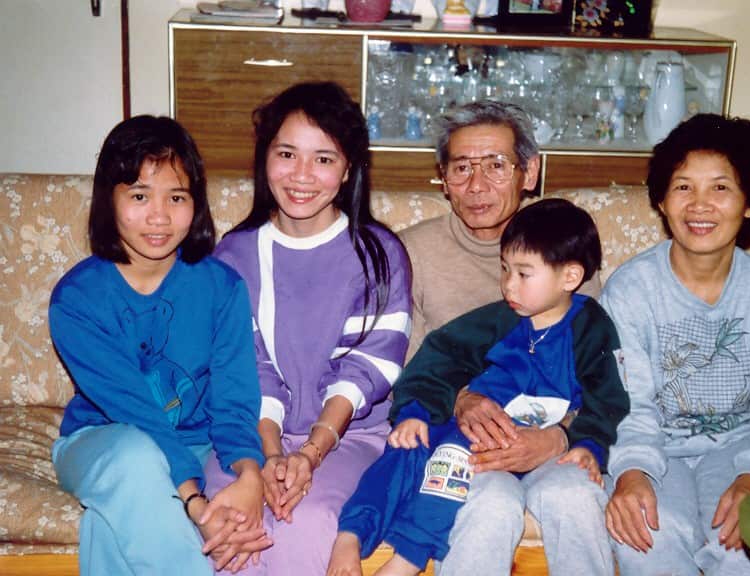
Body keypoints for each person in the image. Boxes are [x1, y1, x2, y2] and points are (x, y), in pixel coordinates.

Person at [329, 199, 629, 576]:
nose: (508, 285)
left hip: (548, 452)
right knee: (414, 450)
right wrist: (415, 412)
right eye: (505, 270)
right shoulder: (499, 320)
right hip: (480, 441)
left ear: (569, 277)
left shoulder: (590, 327)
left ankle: (407, 558)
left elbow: (608, 397)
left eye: (524, 274)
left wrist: (586, 443)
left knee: (573, 493)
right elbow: (437, 358)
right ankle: (359, 537)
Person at [207, 82, 412, 575]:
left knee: (307, 518)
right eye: (286, 154)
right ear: (265, 160)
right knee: (236, 521)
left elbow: (368, 366)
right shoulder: (233, 255)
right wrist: (273, 453)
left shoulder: (379, 253)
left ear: (347, 171)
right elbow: (245, 366)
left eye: (323, 159)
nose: (301, 176)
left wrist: (311, 454)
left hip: (349, 437)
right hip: (248, 436)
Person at [601, 114, 750, 575]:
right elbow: (627, 404)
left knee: (741, 546)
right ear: (661, 200)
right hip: (655, 450)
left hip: (743, 452)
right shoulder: (630, 291)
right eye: (683, 187)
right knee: (648, 538)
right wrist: (632, 472)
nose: (700, 205)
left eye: (720, 188)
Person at [49, 115, 268, 575]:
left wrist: (250, 475)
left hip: (201, 444)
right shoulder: (77, 299)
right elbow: (136, 412)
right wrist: (193, 503)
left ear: (197, 204)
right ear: (109, 200)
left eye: (177, 197)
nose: (159, 216)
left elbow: (234, 402)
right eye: (139, 195)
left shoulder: (222, 287)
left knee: (107, 525)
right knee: (135, 459)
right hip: (101, 442)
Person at [397, 100, 603, 575]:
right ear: (442, 177)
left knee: (574, 496)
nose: (477, 186)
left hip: (552, 432)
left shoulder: (566, 244)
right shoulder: (414, 252)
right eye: (462, 168)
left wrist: (557, 438)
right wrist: (461, 399)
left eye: (496, 166)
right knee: (491, 506)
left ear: (529, 172)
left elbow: (597, 371)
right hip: (461, 439)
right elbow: (409, 369)